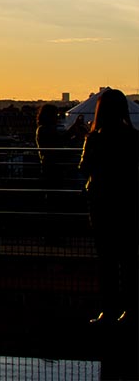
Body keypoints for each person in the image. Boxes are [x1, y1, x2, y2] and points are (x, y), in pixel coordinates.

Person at [78, 88, 139, 327]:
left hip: (102, 204)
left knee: (108, 262)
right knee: (129, 261)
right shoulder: (134, 138)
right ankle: (131, 311)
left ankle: (109, 311)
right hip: (129, 203)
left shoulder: (96, 138)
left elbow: (85, 168)